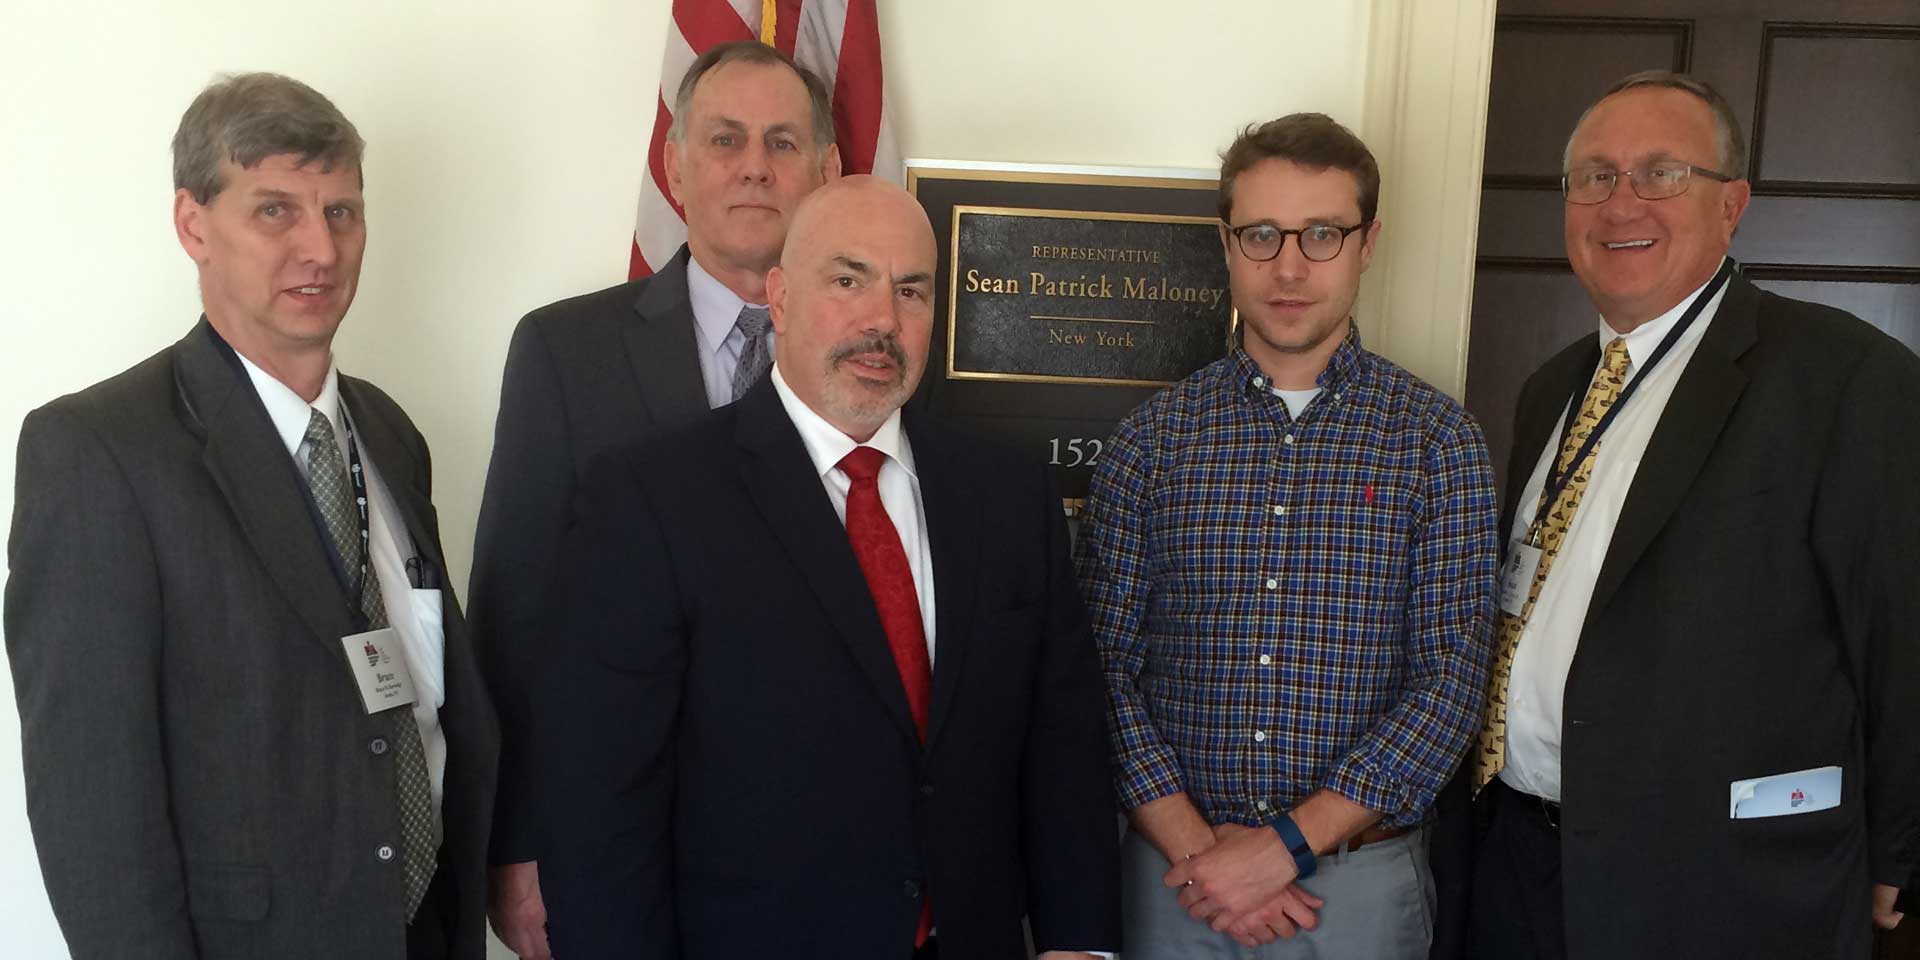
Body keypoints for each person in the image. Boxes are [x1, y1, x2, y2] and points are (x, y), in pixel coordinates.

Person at [534, 175, 1120, 959]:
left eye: (911, 290)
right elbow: (602, 803)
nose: (883, 321)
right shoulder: (651, 499)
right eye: (848, 281)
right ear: (779, 297)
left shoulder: (1007, 493)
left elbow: (1063, 740)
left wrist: (1078, 941)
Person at [4, 72, 498, 959]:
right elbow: (92, 806)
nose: (321, 248)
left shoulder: (390, 432)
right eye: (276, 211)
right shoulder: (98, 452)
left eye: (342, 212)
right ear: (193, 224)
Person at [1463, 70, 1918, 959]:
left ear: (1732, 204)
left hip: (1724, 885)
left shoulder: (1846, 378)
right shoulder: (1551, 388)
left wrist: (1899, 852)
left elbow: (1905, 636)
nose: (1619, 202)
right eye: (1593, 177)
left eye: (1661, 173)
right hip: (1516, 864)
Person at [1075, 112, 1501, 959]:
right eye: (1262, 234)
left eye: (1322, 234)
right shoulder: (1149, 441)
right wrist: (1207, 857)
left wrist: (1283, 848)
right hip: (1175, 882)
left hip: (1359, 891)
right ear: (1226, 243)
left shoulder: (1437, 442)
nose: (1290, 266)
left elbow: (1452, 681)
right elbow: (1099, 667)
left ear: (1368, 242)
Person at [467, 40, 840, 958]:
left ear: (828, 171)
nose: (754, 165)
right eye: (724, 139)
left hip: (833, 853)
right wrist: (513, 849)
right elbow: (515, 614)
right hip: (619, 848)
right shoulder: (566, 353)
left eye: (783, 142)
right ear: (673, 166)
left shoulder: (880, 353)